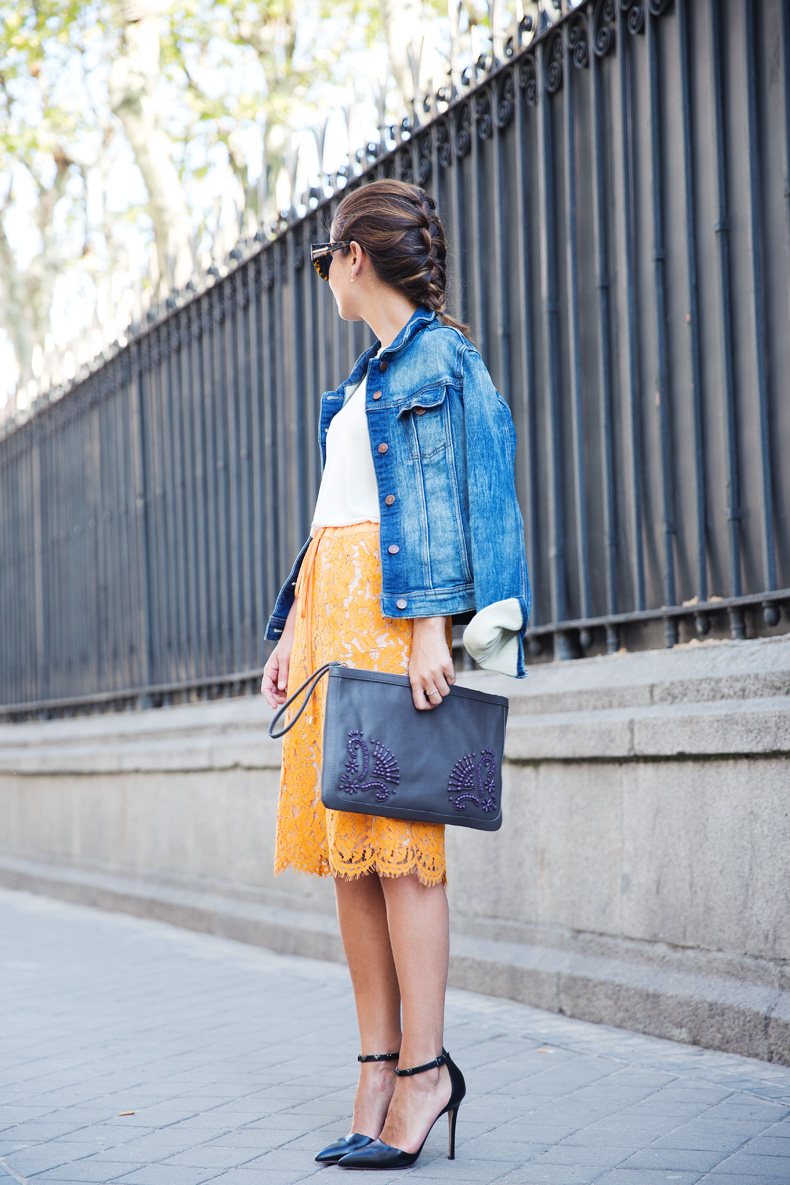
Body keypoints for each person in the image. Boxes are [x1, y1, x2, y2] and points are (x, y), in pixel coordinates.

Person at [261, 179, 530, 1170]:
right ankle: (375, 1066)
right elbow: (336, 514)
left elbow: (483, 493)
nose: (323, 277)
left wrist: (443, 631)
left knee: (404, 849)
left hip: (393, 618)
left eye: (325, 257)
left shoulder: (442, 360)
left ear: (354, 257)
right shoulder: (358, 383)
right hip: (332, 625)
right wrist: (291, 622)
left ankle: (425, 1073)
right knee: (350, 853)